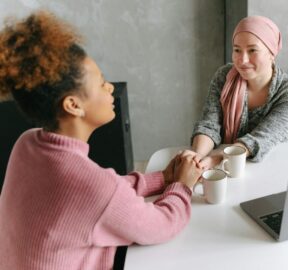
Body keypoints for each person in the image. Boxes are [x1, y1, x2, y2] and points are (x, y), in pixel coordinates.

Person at [0, 11, 202, 270]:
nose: (109, 89)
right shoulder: (91, 186)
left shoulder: (26, 144)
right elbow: (162, 225)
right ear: (73, 105)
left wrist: (162, 178)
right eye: (102, 83)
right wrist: (183, 186)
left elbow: (102, 191)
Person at [191, 15, 288, 169]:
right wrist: (196, 158)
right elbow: (209, 125)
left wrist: (219, 157)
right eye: (237, 50)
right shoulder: (224, 76)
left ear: (272, 53)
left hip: (273, 166)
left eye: (252, 50)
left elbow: (264, 137)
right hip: (228, 167)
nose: (242, 60)